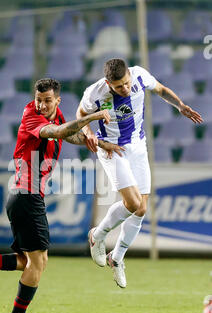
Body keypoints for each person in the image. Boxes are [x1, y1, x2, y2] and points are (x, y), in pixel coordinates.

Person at [0, 78, 121, 313]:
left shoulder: (57, 115)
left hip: (25, 196)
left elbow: (69, 134)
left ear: (57, 100)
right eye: (38, 100)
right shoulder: (31, 116)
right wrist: (93, 117)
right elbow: (58, 132)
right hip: (26, 195)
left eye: (47, 101)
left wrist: (99, 143)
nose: (41, 105)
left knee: (27, 261)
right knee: (39, 262)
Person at [76, 58, 203, 288]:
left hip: (138, 145)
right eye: (118, 87)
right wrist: (89, 133)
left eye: (125, 83)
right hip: (112, 149)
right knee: (133, 203)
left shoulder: (140, 75)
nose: (124, 89)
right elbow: (81, 113)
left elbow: (161, 89)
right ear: (108, 83)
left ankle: (116, 259)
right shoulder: (96, 92)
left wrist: (180, 106)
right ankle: (97, 234)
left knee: (142, 208)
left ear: (129, 76)